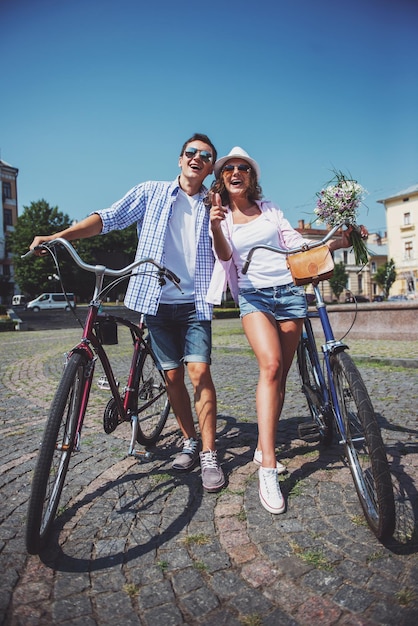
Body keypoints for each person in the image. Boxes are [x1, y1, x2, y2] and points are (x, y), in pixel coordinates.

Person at [29, 133, 225, 493]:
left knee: (199, 371)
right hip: (156, 299)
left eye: (206, 156)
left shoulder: (213, 204)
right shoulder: (151, 193)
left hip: (195, 302)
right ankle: (189, 441)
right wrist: (60, 236)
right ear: (180, 160)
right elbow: (108, 218)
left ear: (211, 166)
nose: (198, 158)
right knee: (172, 377)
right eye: (191, 153)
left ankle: (210, 453)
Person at [207, 146, 362, 513]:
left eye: (243, 167)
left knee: (282, 375)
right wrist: (214, 226)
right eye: (229, 168)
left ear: (251, 176)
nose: (236, 172)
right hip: (254, 298)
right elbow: (225, 255)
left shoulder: (271, 209)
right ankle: (268, 466)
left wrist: (337, 240)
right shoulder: (221, 216)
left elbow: (293, 244)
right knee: (272, 367)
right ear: (222, 179)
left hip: (290, 295)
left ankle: (264, 440)